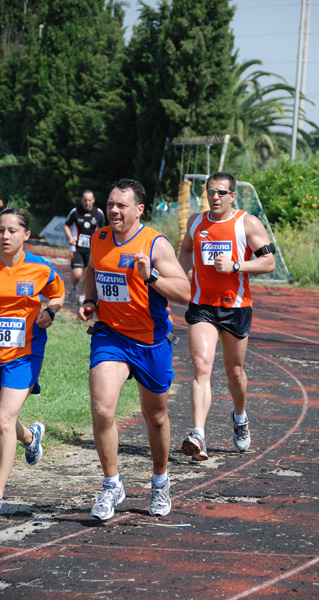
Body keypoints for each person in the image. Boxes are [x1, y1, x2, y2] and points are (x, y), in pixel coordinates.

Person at [77, 178, 190, 521]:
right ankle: (112, 485)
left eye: (121, 205)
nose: (113, 210)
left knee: (155, 417)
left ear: (139, 210)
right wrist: (90, 300)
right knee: (102, 409)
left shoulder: (155, 244)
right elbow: (94, 271)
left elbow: (184, 293)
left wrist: (150, 275)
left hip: (151, 340)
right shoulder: (98, 239)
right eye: (110, 204)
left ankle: (160, 482)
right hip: (110, 336)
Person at [178, 171, 276, 461]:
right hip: (202, 305)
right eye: (210, 192)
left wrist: (236, 266)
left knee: (235, 372)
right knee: (201, 366)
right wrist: (180, 278)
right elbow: (184, 251)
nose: (215, 197)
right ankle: (198, 434)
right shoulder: (196, 222)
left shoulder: (247, 223)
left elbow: (269, 262)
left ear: (233, 195)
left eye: (221, 192)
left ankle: (240, 416)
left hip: (236, 307)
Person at [0, 207, 65, 512]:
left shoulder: (40, 268)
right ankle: (30, 437)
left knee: (3, 420)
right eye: (0, 230)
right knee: (4, 421)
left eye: (12, 231)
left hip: (24, 352)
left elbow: (57, 295)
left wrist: (50, 312)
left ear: (26, 235)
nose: (4, 236)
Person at [63, 189, 105, 304]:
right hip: (76, 247)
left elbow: (103, 230)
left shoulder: (99, 213)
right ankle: (73, 288)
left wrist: (100, 244)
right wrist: (70, 238)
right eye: (85, 200)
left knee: (88, 273)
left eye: (89, 200)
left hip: (91, 249)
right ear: (82, 200)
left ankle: (82, 296)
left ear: (93, 200)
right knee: (77, 274)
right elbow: (66, 225)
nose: (87, 203)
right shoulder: (75, 211)